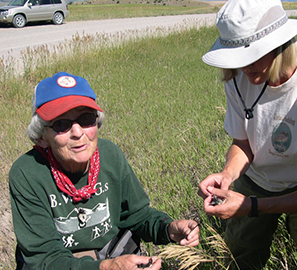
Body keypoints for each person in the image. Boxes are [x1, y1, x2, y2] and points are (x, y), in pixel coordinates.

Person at [197, 0, 297, 269]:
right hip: (256, 181)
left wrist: (251, 206)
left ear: (280, 46)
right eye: (236, 59)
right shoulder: (238, 78)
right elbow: (243, 143)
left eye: (251, 56)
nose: (244, 67)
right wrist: (228, 174)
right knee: (241, 257)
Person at [9, 72, 200, 270]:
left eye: (86, 119)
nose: (77, 132)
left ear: (97, 122)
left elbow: (137, 215)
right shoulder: (28, 173)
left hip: (113, 254)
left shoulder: (110, 155)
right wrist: (107, 267)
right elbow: (45, 259)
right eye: (61, 124)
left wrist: (167, 228)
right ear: (42, 136)